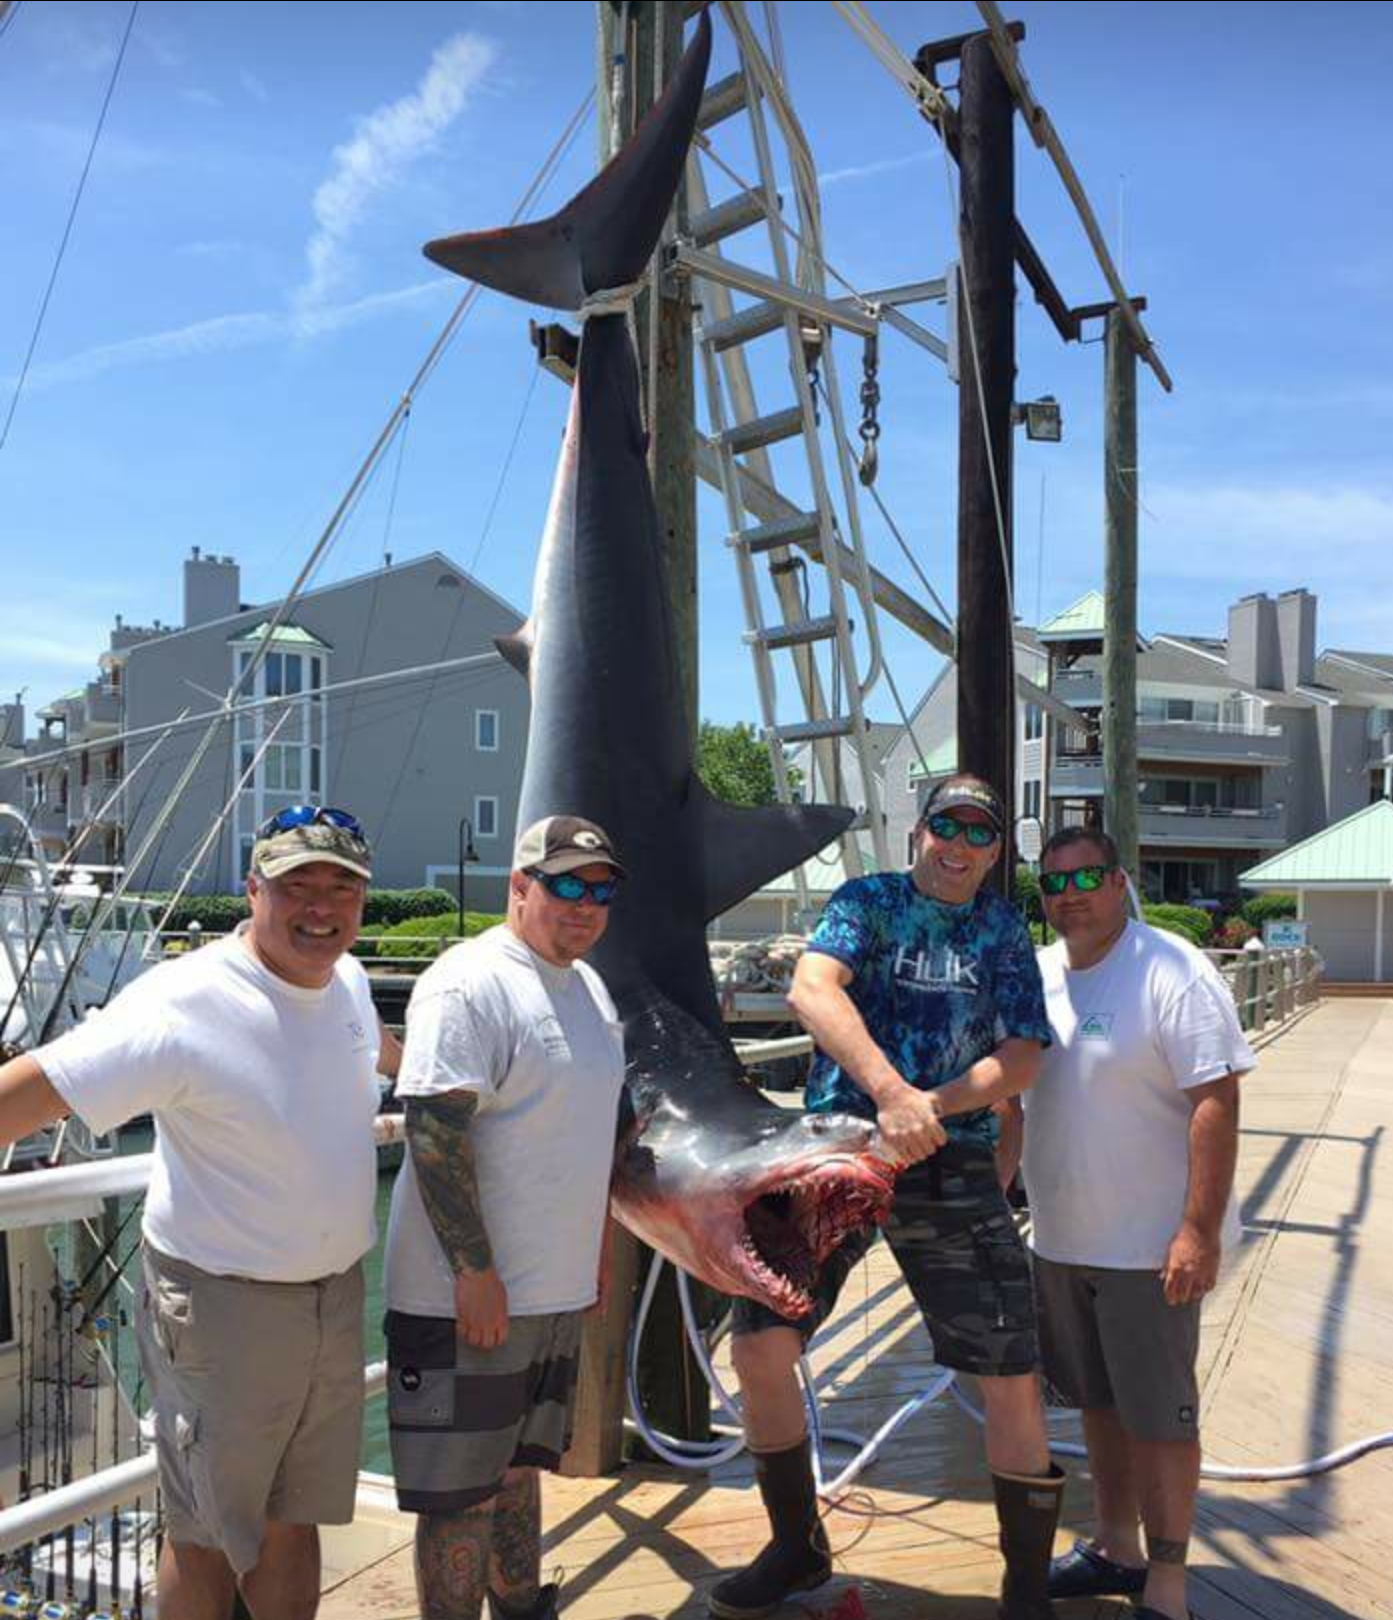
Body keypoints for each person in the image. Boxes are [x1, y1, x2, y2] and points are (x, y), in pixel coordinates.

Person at [0, 805, 400, 1620]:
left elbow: (399, 1058)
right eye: (297, 886)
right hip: (220, 1307)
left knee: (297, 1521)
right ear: (252, 890)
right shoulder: (184, 1002)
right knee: (206, 1536)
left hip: (332, 1296)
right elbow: (29, 1092)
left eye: (341, 888)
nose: (321, 907)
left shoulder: (349, 980)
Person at [709, 775, 1062, 1620]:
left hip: (953, 1161)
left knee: (1010, 1373)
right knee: (760, 1347)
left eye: (978, 833)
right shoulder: (865, 902)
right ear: (918, 832)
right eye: (946, 825)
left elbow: (1023, 1056)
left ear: (994, 850)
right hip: (839, 1153)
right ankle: (795, 1548)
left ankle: (1026, 1589)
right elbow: (810, 989)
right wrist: (886, 1092)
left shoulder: (1003, 927)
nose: (960, 844)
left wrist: (927, 1109)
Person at [382, 815, 628, 1620]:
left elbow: (591, 1139)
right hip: (465, 1300)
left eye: (599, 888)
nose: (583, 903)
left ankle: (523, 1611)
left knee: (519, 1470)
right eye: (563, 884)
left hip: (548, 1295)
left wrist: (593, 1254)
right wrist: (475, 1274)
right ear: (518, 887)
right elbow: (434, 1132)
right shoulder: (469, 981)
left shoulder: (589, 988)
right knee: (459, 1497)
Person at [1024, 826, 1253, 1620]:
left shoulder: (1171, 971)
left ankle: (1168, 1576)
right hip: (1058, 1239)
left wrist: (1198, 1231)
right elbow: (1021, 1100)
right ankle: (1115, 1544)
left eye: (1086, 877)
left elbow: (1215, 1101)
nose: (1069, 894)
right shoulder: (1039, 974)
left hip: (1147, 1248)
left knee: (1159, 1418)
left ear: (1120, 882)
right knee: (1095, 1404)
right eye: (1053, 883)